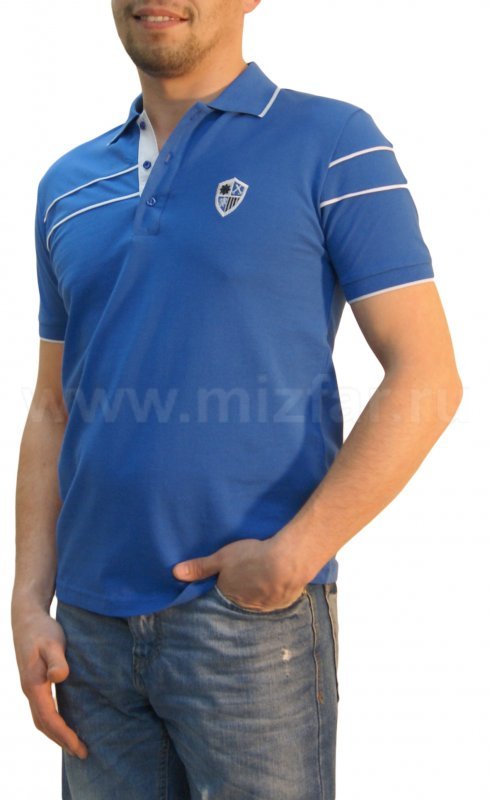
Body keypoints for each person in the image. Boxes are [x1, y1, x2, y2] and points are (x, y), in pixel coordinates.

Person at [11, 1, 463, 798]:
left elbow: (427, 376)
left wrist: (292, 558)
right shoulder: (66, 186)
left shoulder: (333, 142)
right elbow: (53, 408)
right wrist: (27, 600)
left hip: (250, 626)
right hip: (89, 634)